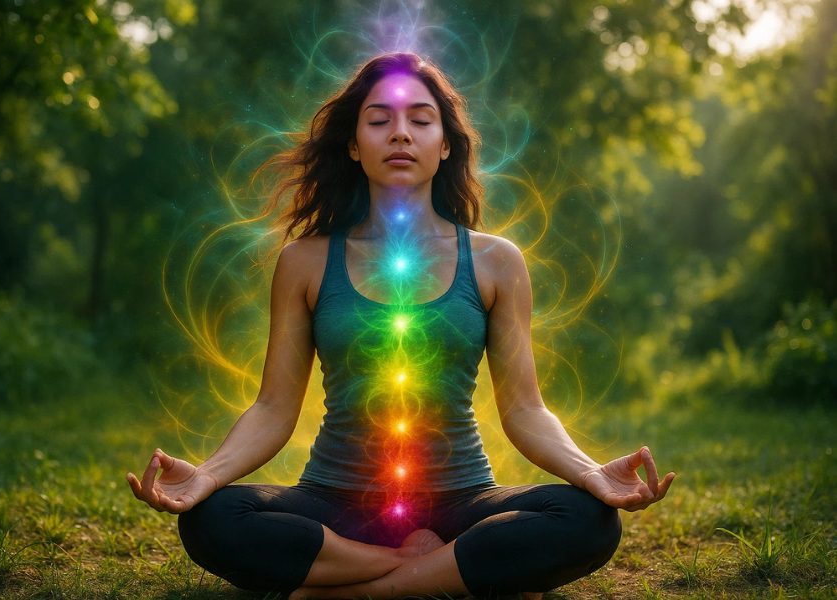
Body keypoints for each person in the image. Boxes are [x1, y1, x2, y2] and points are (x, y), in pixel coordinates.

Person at [126, 52, 676, 600]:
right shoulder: (305, 261)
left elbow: (525, 410)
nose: (400, 134)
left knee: (589, 520)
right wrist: (207, 475)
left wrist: (590, 474)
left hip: (462, 501)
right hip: (336, 502)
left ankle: (350, 588)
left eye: (420, 118)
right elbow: (274, 408)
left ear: (444, 146)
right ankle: (437, 570)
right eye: (379, 119)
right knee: (211, 518)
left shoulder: (495, 261)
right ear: (352, 144)